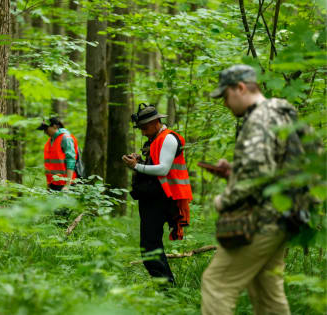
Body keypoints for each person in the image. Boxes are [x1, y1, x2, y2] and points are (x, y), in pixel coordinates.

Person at [201, 64, 292, 314]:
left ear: (240, 88)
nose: (225, 104)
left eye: (226, 97)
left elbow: (258, 173)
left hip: (260, 219)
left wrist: (224, 200)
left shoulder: (259, 119)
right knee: (267, 292)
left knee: (216, 285)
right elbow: (272, 166)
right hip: (283, 216)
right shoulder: (279, 112)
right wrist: (234, 170)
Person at [122, 103, 193, 285]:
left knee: (150, 247)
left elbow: (163, 169)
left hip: (163, 198)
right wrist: (139, 160)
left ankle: (167, 289)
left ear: (155, 122)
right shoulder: (154, 139)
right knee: (149, 246)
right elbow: (154, 164)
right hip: (151, 198)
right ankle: (165, 288)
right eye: (141, 129)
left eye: (145, 128)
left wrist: (136, 166)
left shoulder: (168, 139)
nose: (143, 132)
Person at [37, 117, 78, 191]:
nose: (45, 132)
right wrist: (49, 184)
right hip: (53, 184)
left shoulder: (66, 138)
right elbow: (50, 165)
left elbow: (71, 161)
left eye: (46, 129)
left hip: (65, 185)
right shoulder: (50, 141)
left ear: (55, 126)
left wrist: (67, 185)